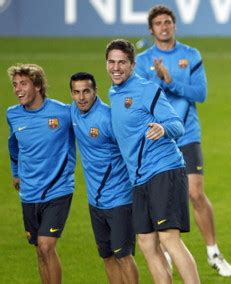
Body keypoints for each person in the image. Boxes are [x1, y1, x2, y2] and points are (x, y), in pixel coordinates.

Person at [134, 4, 231, 277]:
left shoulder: (190, 55)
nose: (164, 27)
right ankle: (166, 251)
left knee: (195, 193)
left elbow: (200, 93)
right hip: (156, 136)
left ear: (174, 25)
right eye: (158, 23)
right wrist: (158, 81)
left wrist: (169, 80)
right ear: (151, 29)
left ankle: (213, 251)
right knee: (158, 197)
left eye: (168, 22)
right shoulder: (142, 61)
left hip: (187, 133)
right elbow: (141, 99)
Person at [105, 38, 200, 284]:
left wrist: (162, 128)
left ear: (133, 65)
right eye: (112, 62)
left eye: (122, 62)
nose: (116, 67)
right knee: (146, 242)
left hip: (164, 170)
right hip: (138, 179)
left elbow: (177, 125)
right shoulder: (114, 94)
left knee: (169, 238)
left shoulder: (147, 89)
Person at [6, 63, 76, 283]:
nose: (18, 89)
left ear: (37, 86)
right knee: (39, 249)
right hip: (29, 192)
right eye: (15, 85)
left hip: (58, 190)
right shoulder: (13, 115)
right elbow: (13, 146)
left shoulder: (63, 113)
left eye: (23, 84)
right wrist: (16, 172)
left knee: (46, 245)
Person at [69, 72, 139, 283]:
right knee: (107, 256)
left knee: (123, 256)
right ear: (72, 94)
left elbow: (131, 152)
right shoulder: (73, 112)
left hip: (119, 200)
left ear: (95, 91)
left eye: (86, 92)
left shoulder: (108, 118)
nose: (81, 98)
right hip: (95, 201)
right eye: (76, 92)